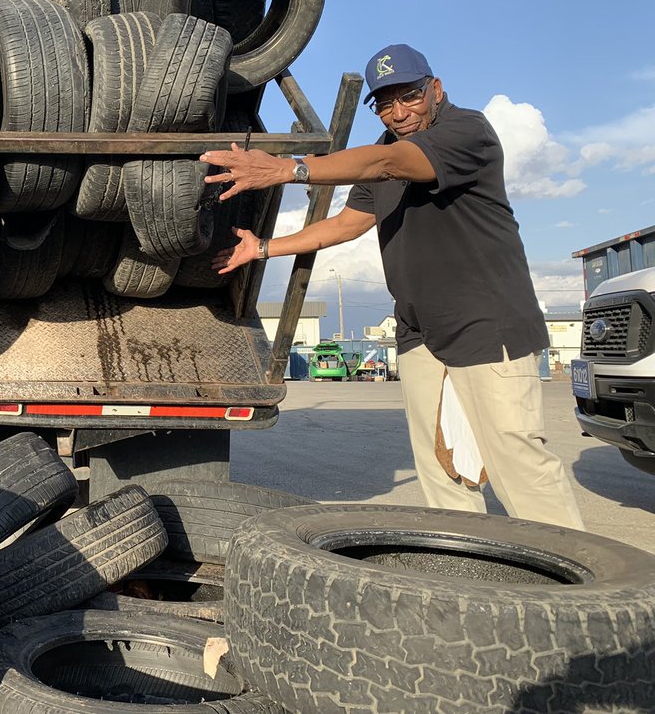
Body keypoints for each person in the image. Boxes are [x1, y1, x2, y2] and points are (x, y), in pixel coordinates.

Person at [200, 43, 583, 530]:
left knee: (516, 461)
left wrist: (286, 169)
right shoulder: (383, 152)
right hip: (420, 330)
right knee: (442, 468)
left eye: (410, 96)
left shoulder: (466, 132)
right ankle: (467, 576)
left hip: (486, 323)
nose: (398, 112)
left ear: (436, 89)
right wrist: (262, 249)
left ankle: (577, 592)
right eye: (385, 102)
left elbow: (393, 164)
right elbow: (345, 225)